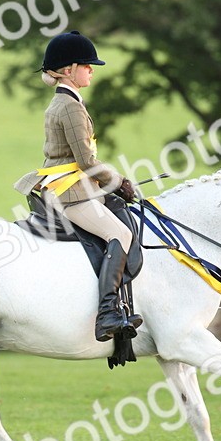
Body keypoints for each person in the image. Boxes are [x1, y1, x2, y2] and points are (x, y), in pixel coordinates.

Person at [13, 30, 142, 342]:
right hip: (70, 191)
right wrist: (118, 181)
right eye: (86, 65)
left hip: (70, 185)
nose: (91, 70)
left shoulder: (65, 101)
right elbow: (85, 160)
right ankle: (108, 312)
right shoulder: (70, 106)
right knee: (121, 234)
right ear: (69, 70)